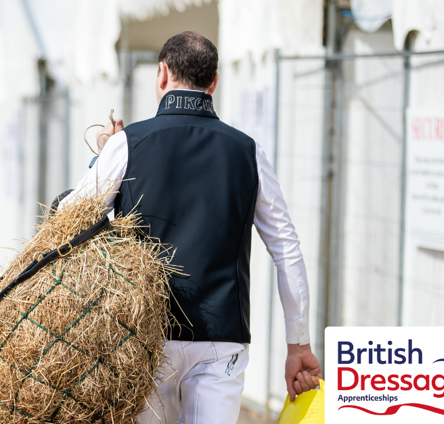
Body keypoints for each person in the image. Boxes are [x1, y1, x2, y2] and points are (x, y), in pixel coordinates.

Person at [60, 31, 321, 424]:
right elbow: (287, 248)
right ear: (214, 82)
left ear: (161, 74)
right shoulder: (247, 150)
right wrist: (297, 343)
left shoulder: (128, 143)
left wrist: (102, 160)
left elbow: (68, 217)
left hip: (144, 333)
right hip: (222, 336)